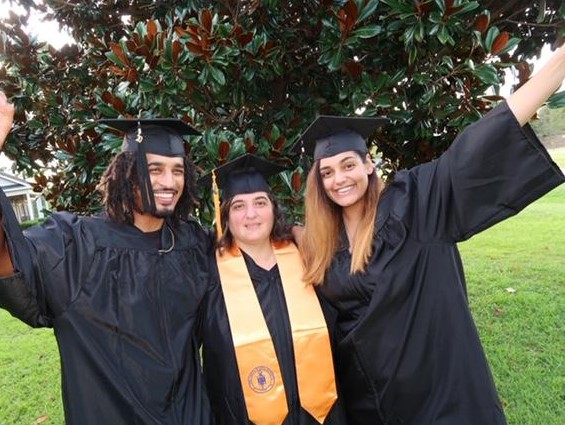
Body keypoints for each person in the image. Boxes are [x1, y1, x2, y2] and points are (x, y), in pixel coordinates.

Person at [294, 45, 565, 425]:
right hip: (373, 404)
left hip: (440, 397)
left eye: (348, 164)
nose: (339, 179)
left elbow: (474, 148)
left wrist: (557, 64)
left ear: (369, 165)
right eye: (327, 172)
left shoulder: (415, 203)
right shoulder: (326, 241)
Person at [0, 96, 211, 425]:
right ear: (127, 173)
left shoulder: (194, 244)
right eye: (154, 169)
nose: (169, 182)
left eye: (177, 170)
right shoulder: (77, 245)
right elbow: (12, 262)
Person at [197, 153, 347, 424]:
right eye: (239, 206)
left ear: (274, 209)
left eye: (260, 202)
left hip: (323, 414)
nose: (251, 214)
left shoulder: (308, 259)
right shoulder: (209, 275)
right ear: (226, 217)